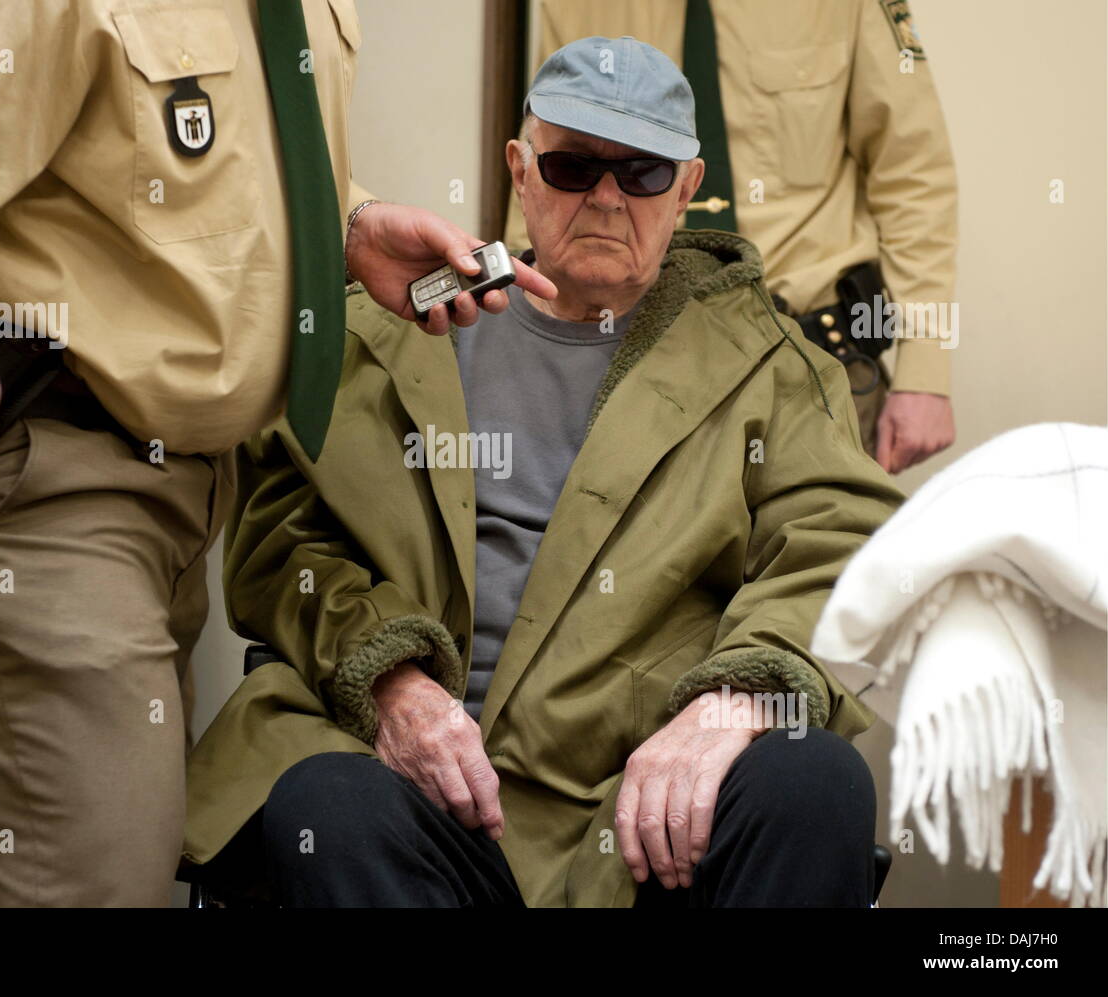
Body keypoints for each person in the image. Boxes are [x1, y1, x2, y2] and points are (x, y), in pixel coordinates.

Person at [0, 0, 552, 907]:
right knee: (96, 882)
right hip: (34, 480)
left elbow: (186, 168)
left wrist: (346, 230)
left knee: (80, 859)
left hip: (174, 491)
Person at [184, 37, 904, 907]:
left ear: (687, 186)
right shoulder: (384, 334)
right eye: (572, 166)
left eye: (641, 173)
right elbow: (286, 544)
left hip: (644, 828)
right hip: (418, 805)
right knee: (324, 801)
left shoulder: (774, 370)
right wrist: (392, 684)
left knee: (814, 778)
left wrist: (733, 705)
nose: (605, 197)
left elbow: (844, 556)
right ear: (520, 171)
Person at [506, 0, 959, 475]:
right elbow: (546, 168)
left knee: (826, 542)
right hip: (628, 369)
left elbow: (913, 174)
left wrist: (924, 372)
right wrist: (524, 339)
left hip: (810, 361)